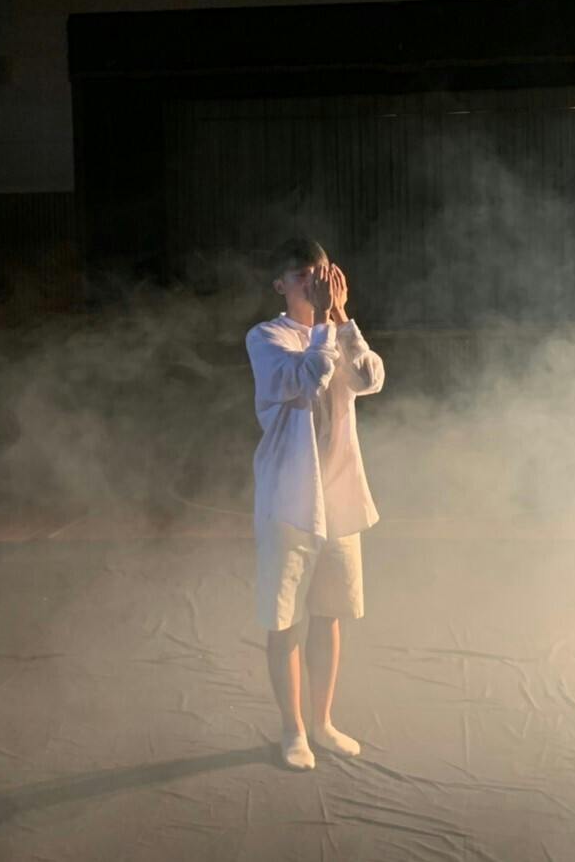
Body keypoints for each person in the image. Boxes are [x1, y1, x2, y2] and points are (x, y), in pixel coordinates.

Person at [245, 238, 385, 771]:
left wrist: (343, 318)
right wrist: (326, 323)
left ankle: (322, 722)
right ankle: (293, 730)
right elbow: (309, 377)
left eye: (321, 272)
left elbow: (369, 379)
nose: (314, 282)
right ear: (280, 284)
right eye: (303, 274)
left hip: (338, 497)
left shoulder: (337, 330)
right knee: (285, 620)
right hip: (290, 500)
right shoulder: (267, 337)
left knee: (328, 614)